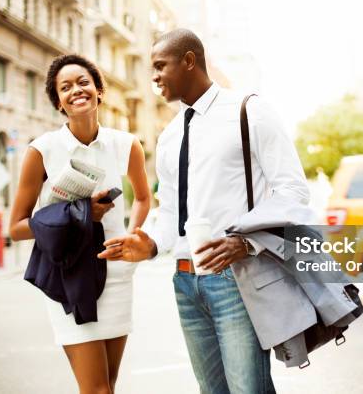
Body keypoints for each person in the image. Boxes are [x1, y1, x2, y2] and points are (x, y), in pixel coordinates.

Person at [98, 29, 309, 394]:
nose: (153, 77)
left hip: (235, 278)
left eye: (160, 66)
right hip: (185, 282)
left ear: (189, 61)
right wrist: (148, 245)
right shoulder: (170, 136)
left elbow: (293, 192)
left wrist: (246, 243)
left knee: (248, 390)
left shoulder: (249, 111)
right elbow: (171, 214)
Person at [9, 54, 151, 394]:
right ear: (58, 101)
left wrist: (131, 237)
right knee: (97, 390)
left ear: (99, 91)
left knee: (109, 385)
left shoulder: (127, 144)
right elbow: (15, 227)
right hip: (68, 278)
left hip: (115, 275)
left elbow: (144, 198)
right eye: (65, 87)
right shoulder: (41, 150)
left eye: (83, 82)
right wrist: (80, 213)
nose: (76, 90)